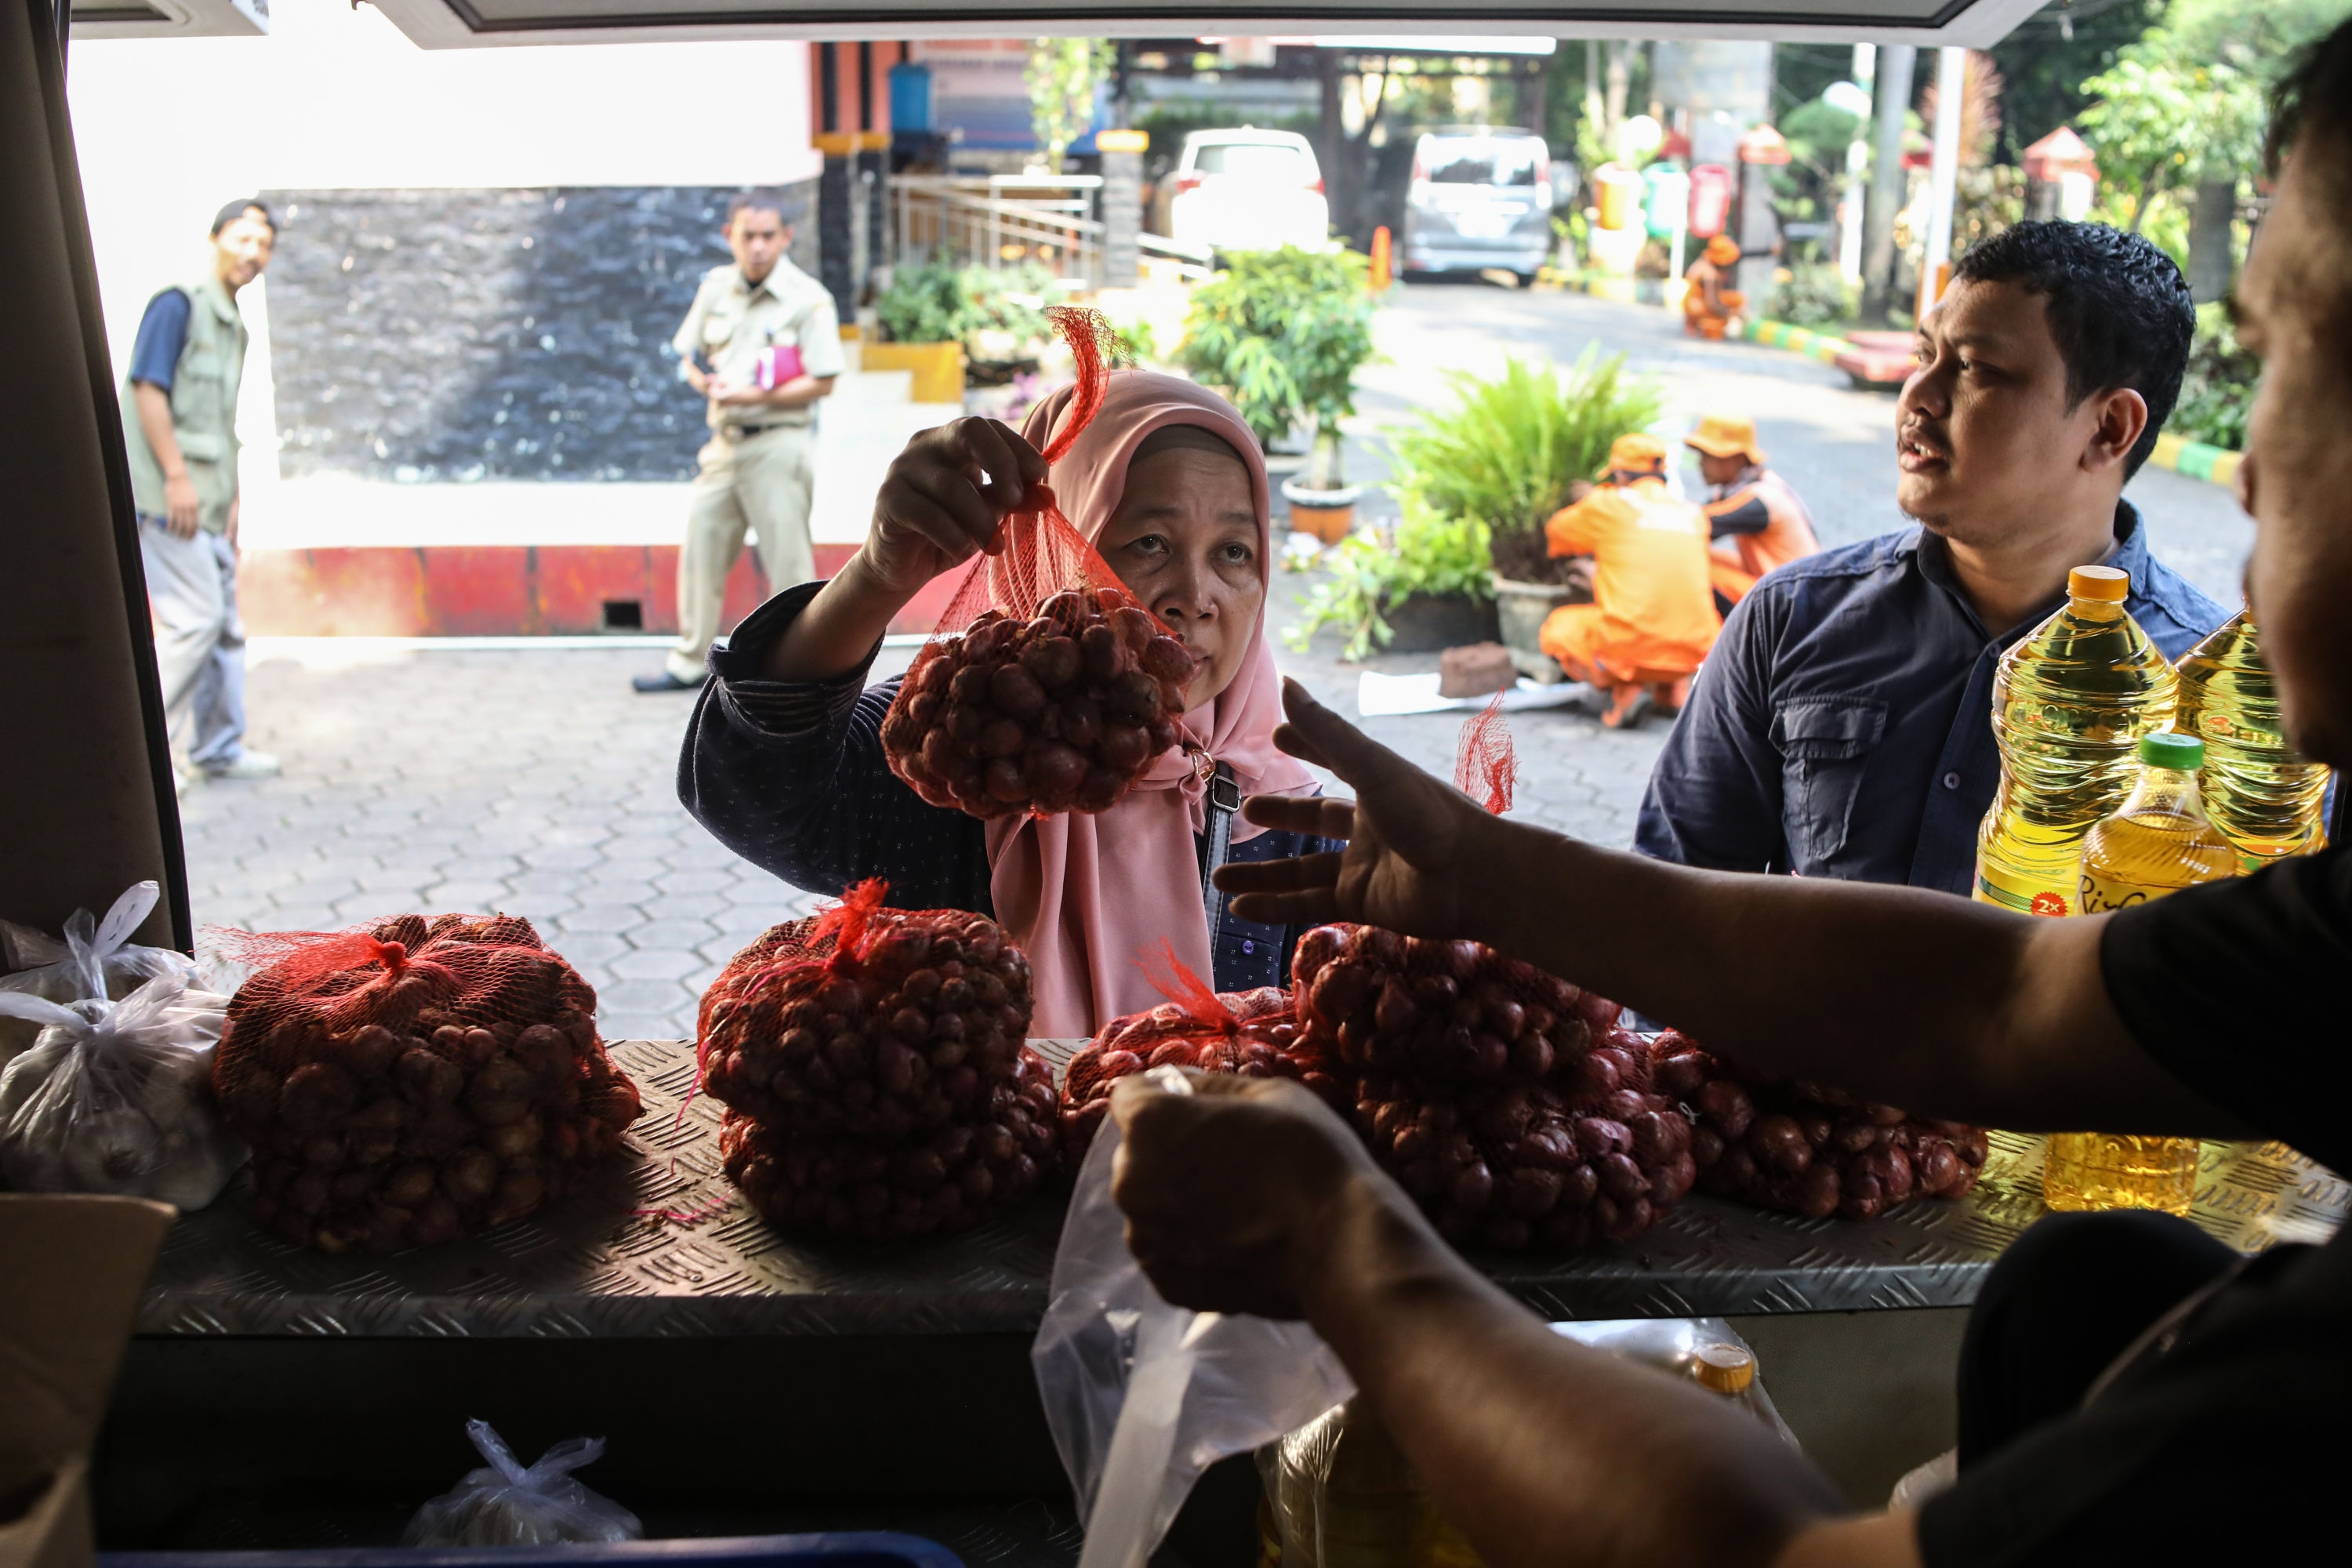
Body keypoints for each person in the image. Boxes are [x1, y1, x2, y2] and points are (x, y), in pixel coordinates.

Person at [1105, 27, 2352, 1566]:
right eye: (1930, 357)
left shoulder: (2303, 1386)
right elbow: (2009, 1004)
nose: (2248, 472)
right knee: (2083, 1288)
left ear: (2114, 431)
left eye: (2300, 353)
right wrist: (1488, 876)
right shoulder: (1804, 621)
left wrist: (1348, 1242)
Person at [677, 372, 1335, 1035]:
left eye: (1233, 552)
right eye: (1149, 543)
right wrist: (877, 575)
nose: (1194, 595)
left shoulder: (1287, 813)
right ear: (1055, 550)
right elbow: (752, 793)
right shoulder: (965, 748)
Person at [1635, 221, 2228, 890]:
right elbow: (1676, 904)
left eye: (1977, 369)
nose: (1918, 397)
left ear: (2108, 427)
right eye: (1925, 356)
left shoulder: (2214, 694)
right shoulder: (1790, 620)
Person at [636, 190, 844, 694]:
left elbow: (824, 379)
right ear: (730, 235)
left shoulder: (807, 298)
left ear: (785, 237)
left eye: (768, 236)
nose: (757, 246)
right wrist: (704, 380)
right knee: (701, 549)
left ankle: (801, 672)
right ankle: (689, 662)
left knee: (789, 566)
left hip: (778, 445)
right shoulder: (716, 288)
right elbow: (688, 354)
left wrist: (751, 393)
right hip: (723, 445)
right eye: (747, 235)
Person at [124, 198, 280, 789]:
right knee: (194, 623)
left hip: (209, 502)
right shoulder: (178, 304)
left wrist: (232, 496)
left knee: (225, 630)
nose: (253, 253)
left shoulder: (230, 320)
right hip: (172, 501)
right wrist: (176, 477)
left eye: (264, 244)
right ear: (214, 238)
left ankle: (218, 747)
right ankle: (146, 765)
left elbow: (219, 421)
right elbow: (147, 389)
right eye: (243, 238)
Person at [1537, 433, 1719, 731]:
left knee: (1558, 629)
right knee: (1667, 626)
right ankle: (1671, 693)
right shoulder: (1693, 513)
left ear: (1619, 474)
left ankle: (1626, 690)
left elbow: (1556, 534)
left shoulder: (1607, 504)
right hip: (1697, 650)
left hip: (1632, 646)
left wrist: (1592, 499)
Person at [1686, 413, 1820, 613]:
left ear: (1737, 459)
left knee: (1695, 566)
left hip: (1796, 603)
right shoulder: (1741, 487)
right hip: (1782, 587)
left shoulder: (1761, 499)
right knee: (1706, 557)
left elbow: (1689, 527)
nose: (1701, 464)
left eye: (1708, 456)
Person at [1682, 234, 1745, 340]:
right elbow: (1712, 304)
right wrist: (1732, 314)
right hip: (1697, 308)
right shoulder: (1710, 274)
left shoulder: (1701, 263)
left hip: (1690, 305)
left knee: (1732, 299)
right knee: (1737, 300)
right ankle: (1705, 324)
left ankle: (1694, 323)